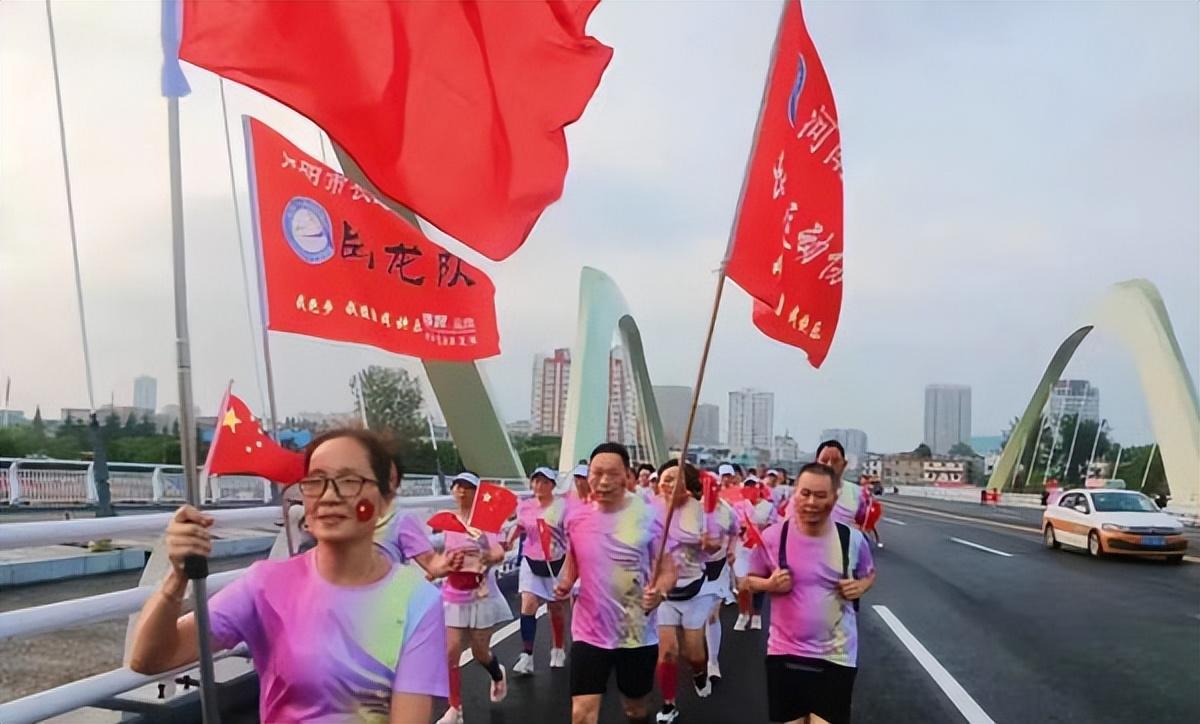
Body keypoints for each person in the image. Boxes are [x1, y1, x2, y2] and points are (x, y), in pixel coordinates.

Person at [128, 429, 447, 723]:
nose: (329, 496)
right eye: (315, 481)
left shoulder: (418, 602)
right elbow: (151, 658)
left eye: (350, 481)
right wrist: (176, 579)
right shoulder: (265, 585)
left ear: (384, 499)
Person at [740, 462, 876, 724]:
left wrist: (860, 587)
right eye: (805, 493)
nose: (812, 502)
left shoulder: (852, 539)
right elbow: (746, 582)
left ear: (834, 498)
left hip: (836, 655)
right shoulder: (773, 537)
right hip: (785, 652)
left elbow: (869, 573)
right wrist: (768, 585)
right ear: (794, 493)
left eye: (820, 495)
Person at [554, 442, 677, 724]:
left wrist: (660, 591)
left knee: (635, 710)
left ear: (626, 476)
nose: (604, 481)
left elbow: (669, 570)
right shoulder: (575, 517)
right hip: (589, 631)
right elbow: (575, 559)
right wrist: (567, 581)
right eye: (597, 473)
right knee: (581, 712)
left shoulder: (650, 517)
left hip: (636, 634)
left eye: (612, 474)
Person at [434, 472, 513, 724]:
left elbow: (500, 550)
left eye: (467, 487)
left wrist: (492, 555)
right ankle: (454, 709)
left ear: (477, 493)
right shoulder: (448, 521)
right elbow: (439, 554)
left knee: (480, 653)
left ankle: (497, 673)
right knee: (451, 652)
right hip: (454, 593)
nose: (461, 491)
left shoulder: (487, 521)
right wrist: (446, 562)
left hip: (481, 594)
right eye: (457, 486)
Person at [652, 460, 721, 723]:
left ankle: (699, 673)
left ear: (687, 484)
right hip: (665, 593)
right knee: (667, 651)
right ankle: (669, 705)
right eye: (663, 478)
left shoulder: (703, 511)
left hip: (696, 591)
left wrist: (709, 543)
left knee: (693, 654)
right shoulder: (650, 508)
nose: (666, 483)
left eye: (672, 478)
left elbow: (715, 547)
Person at [507, 466, 570, 675]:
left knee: (556, 608)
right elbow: (520, 526)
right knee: (528, 604)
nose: (539, 486)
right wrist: (509, 540)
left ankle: (558, 648)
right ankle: (527, 655)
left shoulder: (562, 507)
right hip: (531, 560)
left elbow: (570, 533)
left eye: (544, 482)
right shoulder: (525, 506)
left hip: (556, 561)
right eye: (536, 481)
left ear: (552, 485)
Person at [697, 471, 740, 688]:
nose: (710, 489)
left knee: (712, 615)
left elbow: (735, 532)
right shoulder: (692, 509)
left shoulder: (728, 511)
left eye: (714, 485)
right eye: (707, 485)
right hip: (695, 569)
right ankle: (695, 657)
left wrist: (731, 550)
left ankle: (713, 662)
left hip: (719, 567)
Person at [733, 475, 777, 631]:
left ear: (759, 488)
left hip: (760, 550)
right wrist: (741, 529)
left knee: (758, 585)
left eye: (754, 486)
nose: (751, 490)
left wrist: (761, 531)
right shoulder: (738, 506)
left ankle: (757, 615)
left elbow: (774, 527)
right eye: (748, 486)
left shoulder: (768, 507)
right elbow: (733, 527)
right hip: (742, 549)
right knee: (742, 584)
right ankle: (743, 614)